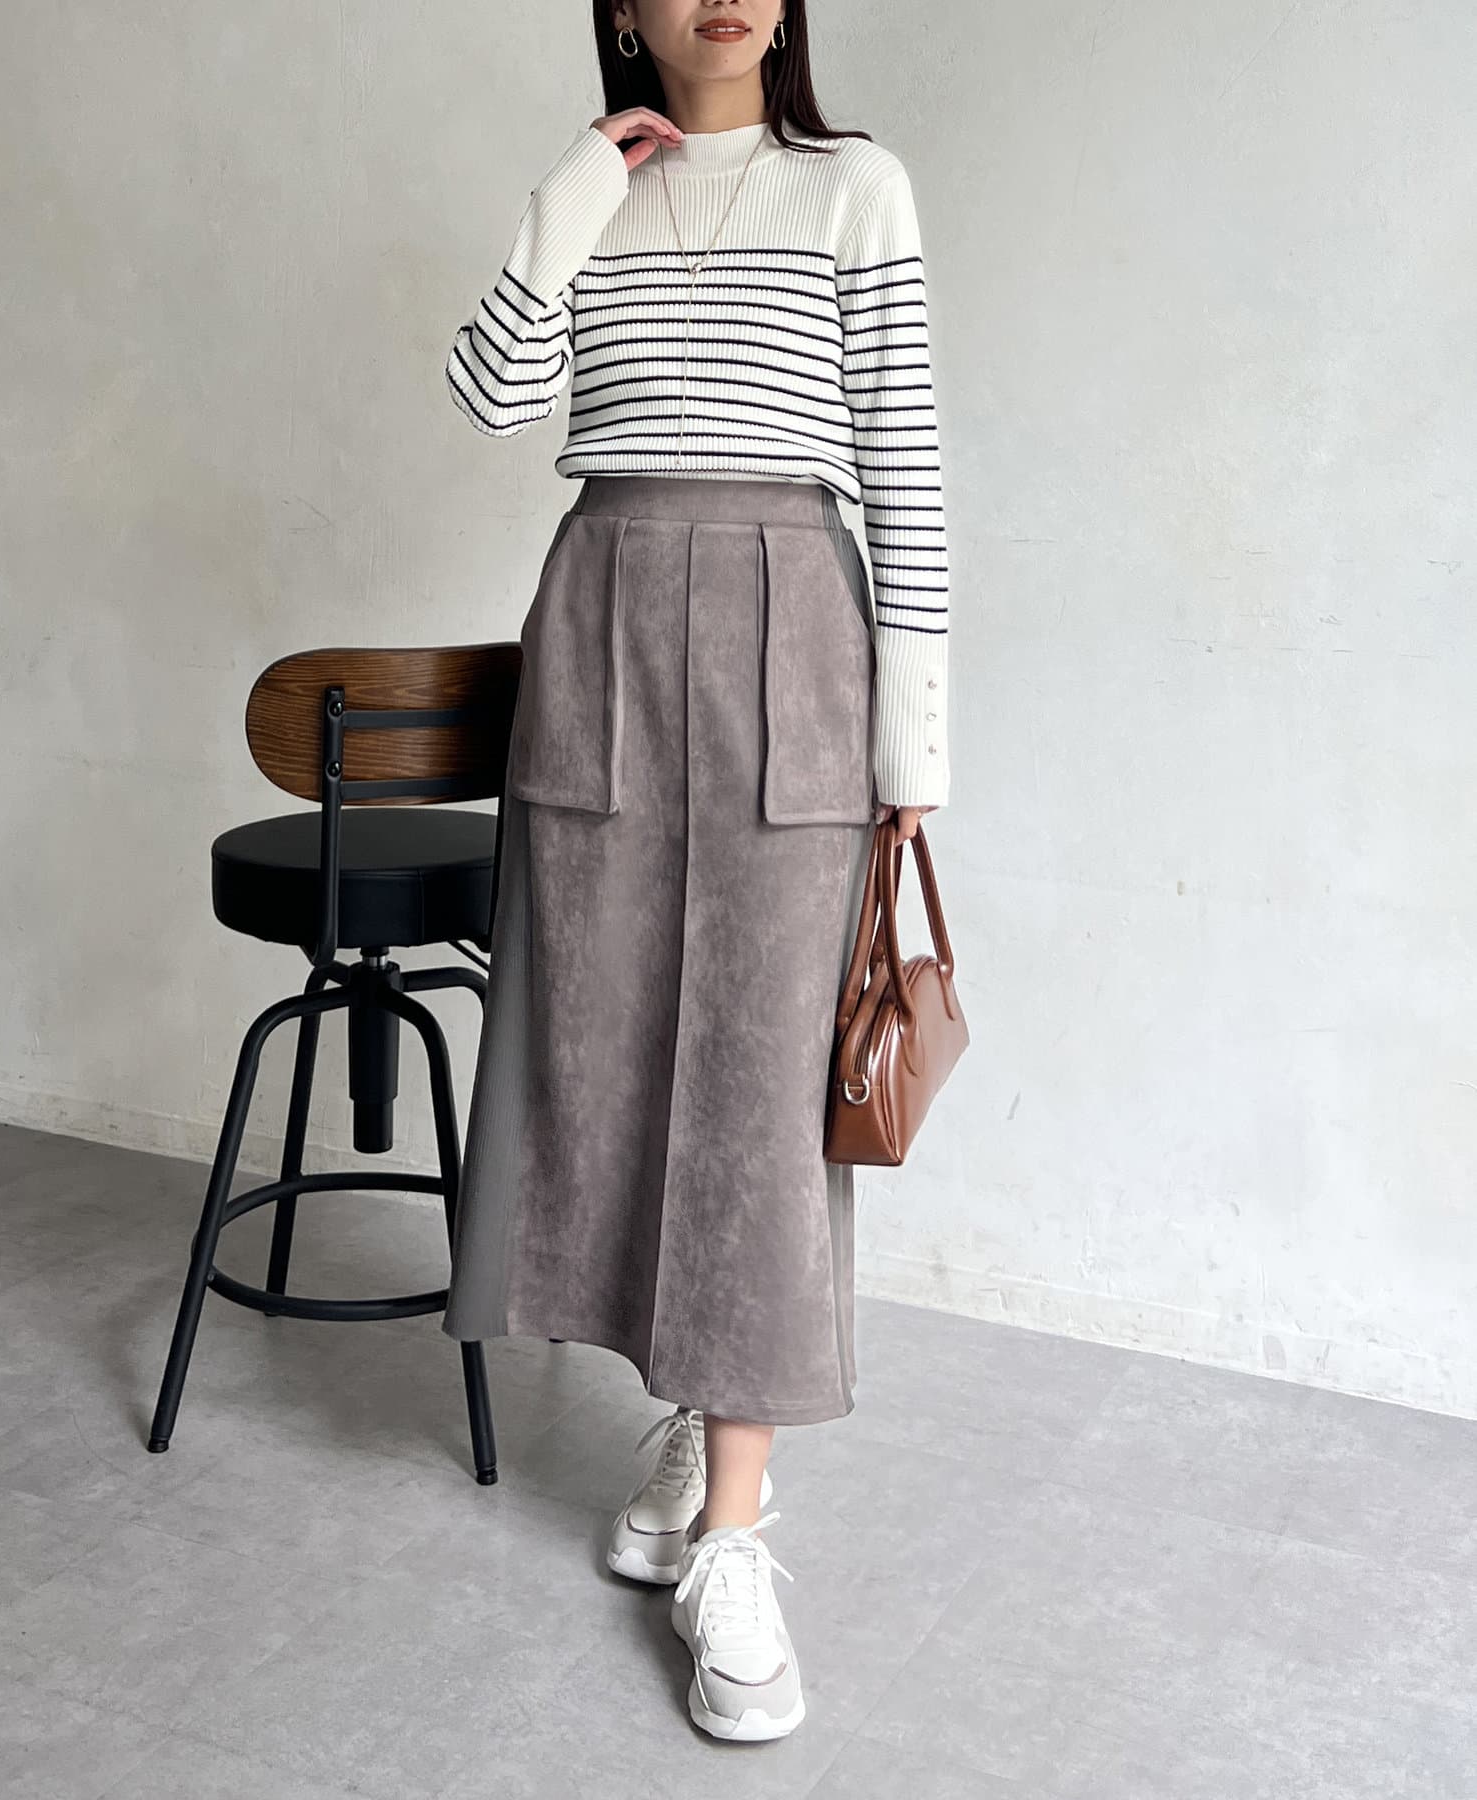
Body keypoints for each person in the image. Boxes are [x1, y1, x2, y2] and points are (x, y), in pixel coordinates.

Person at [440, 0, 950, 1743]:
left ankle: (734, 1532)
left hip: (792, 625)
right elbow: (490, 393)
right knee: (599, 1059)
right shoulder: (600, 193)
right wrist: (574, 187)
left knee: (755, 1089)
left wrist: (913, 753)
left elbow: (904, 464)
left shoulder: (856, 186)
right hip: (600, 625)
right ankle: (688, 1410)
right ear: (622, 10)